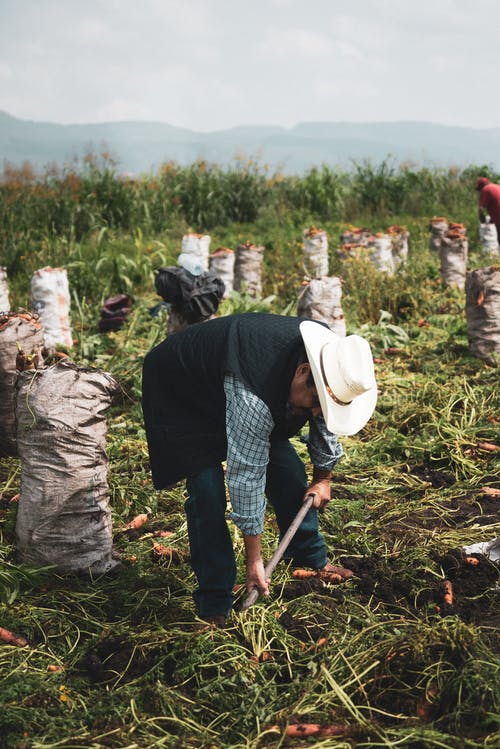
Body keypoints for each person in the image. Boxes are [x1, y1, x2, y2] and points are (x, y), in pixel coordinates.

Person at [142, 312, 377, 626]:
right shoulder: (254, 397)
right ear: (302, 371)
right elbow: (246, 474)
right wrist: (255, 560)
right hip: (184, 391)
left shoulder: (330, 361)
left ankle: (309, 558)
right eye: (314, 402)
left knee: (290, 474)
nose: (315, 412)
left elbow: (324, 419)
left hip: (239, 381)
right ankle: (215, 601)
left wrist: (323, 478)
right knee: (207, 494)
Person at [476, 177, 500, 243]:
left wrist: (482, 219)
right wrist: (492, 219)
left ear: (481, 186)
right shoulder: (497, 186)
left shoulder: (485, 189)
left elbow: (481, 209)